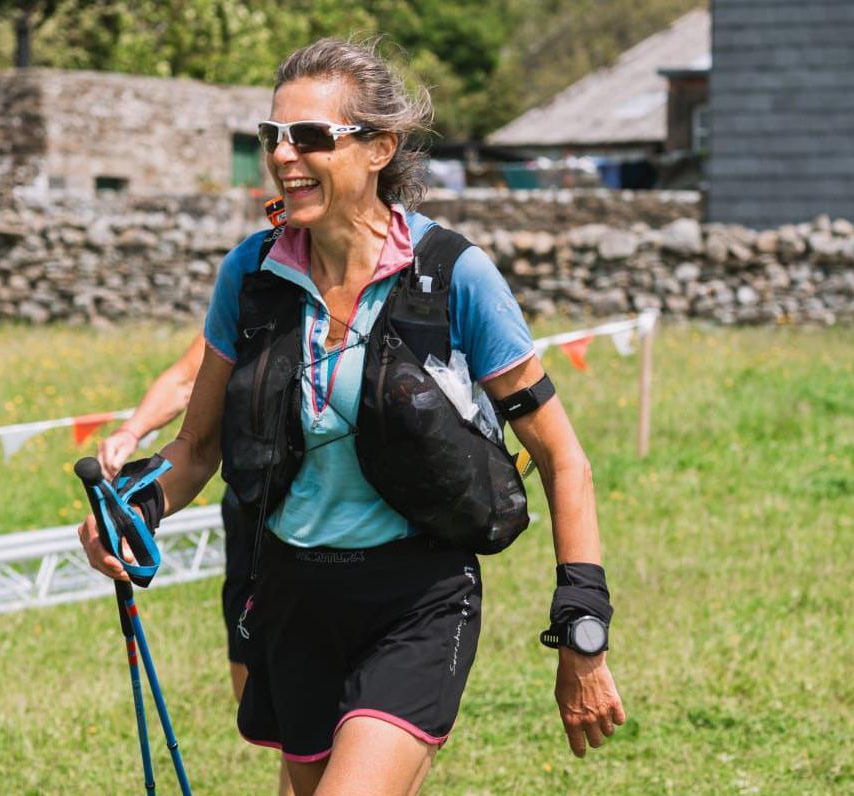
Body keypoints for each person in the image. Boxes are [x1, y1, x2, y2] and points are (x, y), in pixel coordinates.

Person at [78, 36, 624, 796]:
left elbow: (566, 460)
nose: (284, 157)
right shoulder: (252, 275)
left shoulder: (454, 277)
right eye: (274, 136)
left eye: (310, 137)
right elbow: (197, 448)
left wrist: (582, 629)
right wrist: (132, 507)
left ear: (379, 149)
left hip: (417, 600)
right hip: (294, 599)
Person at [95, 333, 296, 796]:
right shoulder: (254, 285)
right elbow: (188, 381)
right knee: (261, 702)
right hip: (253, 518)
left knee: (313, 711)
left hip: (337, 537)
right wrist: (132, 431)